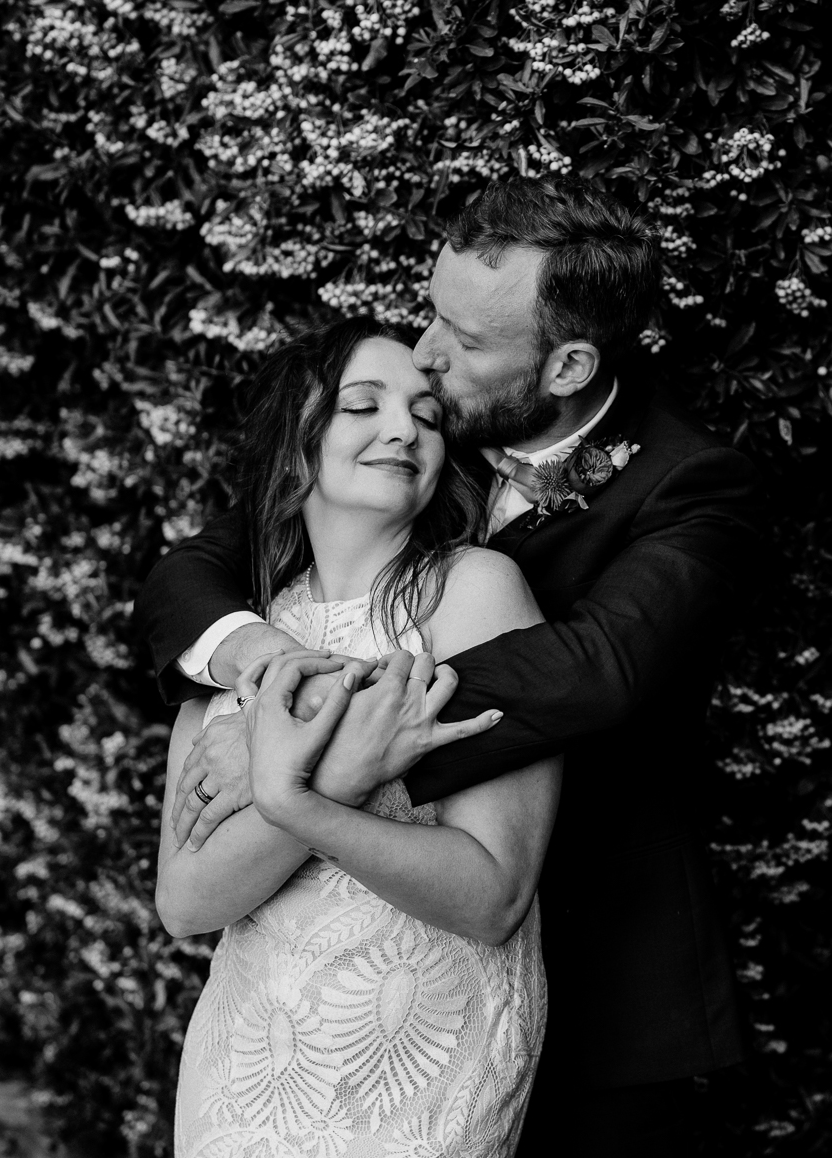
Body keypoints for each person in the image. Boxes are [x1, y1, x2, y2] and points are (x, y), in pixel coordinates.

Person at [134, 177, 754, 1155]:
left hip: (607, 997)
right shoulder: (430, 430)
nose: (426, 352)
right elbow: (198, 570)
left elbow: (599, 669)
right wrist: (260, 665)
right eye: (432, 312)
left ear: (569, 364)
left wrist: (304, 742)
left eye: (460, 341)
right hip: (338, 1006)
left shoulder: (694, 486)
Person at [159, 316, 560, 1156]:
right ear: (297, 447)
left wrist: (297, 800)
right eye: (363, 404)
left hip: (420, 1057)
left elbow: (491, 898)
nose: (403, 428)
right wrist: (333, 782)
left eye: (425, 412)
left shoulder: (475, 594)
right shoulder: (244, 634)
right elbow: (187, 900)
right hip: (249, 1060)